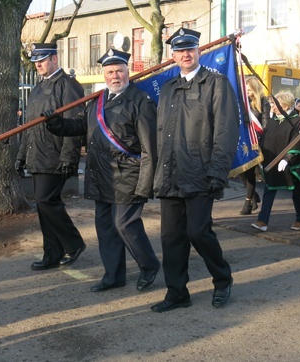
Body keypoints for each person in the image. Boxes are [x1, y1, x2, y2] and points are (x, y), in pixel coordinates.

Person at [44, 49, 161, 292]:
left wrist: (146, 184)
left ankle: (148, 265)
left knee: (125, 224)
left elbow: (150, 147)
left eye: (119, 70)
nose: (115, 76)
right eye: (110, 72)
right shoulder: (97, 100)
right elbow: (80, 126)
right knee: (106, 228)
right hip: (100, 174)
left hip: (128, 174)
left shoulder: (140, 101)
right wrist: (57, 124)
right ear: (104, 74)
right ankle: (113, 275)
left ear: (128, 72)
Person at [151, 28, 239, 312]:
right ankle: (177, 292)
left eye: (190, 49)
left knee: (199, 232)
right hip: (170, 176)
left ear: (199, 52)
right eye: (179, 50)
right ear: (172, 55)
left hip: (201, 174)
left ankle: (223, 280)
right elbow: (162, 133)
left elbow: (225, 131)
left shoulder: (216, 84)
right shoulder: (167, 88)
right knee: (171, 238)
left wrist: (217, 172)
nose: (185, 54)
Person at [15, 43, 86, 271]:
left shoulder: (68, 86)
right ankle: (52, 253)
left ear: (54, 58)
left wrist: (69, 157)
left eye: (42, 60)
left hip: (56, 155)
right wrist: (21, 155)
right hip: (37, 154)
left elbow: (75, 124)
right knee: (44, 205)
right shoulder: (37, 88)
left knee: (46, 200)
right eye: (36, 61)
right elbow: (29, 125)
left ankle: (73, 243)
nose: (38, 64)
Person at [250, 91, 300, 233]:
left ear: (284, 105)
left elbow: (298, 143)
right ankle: (262, 221)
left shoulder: (297, 121)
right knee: (269, 190)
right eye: (272, 103)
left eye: (274, 104)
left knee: (298, 192)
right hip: (271, 163)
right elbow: (266, 140)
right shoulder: (273, 121)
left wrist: (287, 159)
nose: (272, 107)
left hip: (292, 165)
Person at [238, 77, 270, 215]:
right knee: (240, 170)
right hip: (243, 140)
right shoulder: (243, 102)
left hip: (256, 141)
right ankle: (254, 195)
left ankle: (248, 202)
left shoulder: (264, 102)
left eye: (250, 90)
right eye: (247, 90)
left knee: (250, 172)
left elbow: (265, 124)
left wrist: (260, 141)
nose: (248, 92)